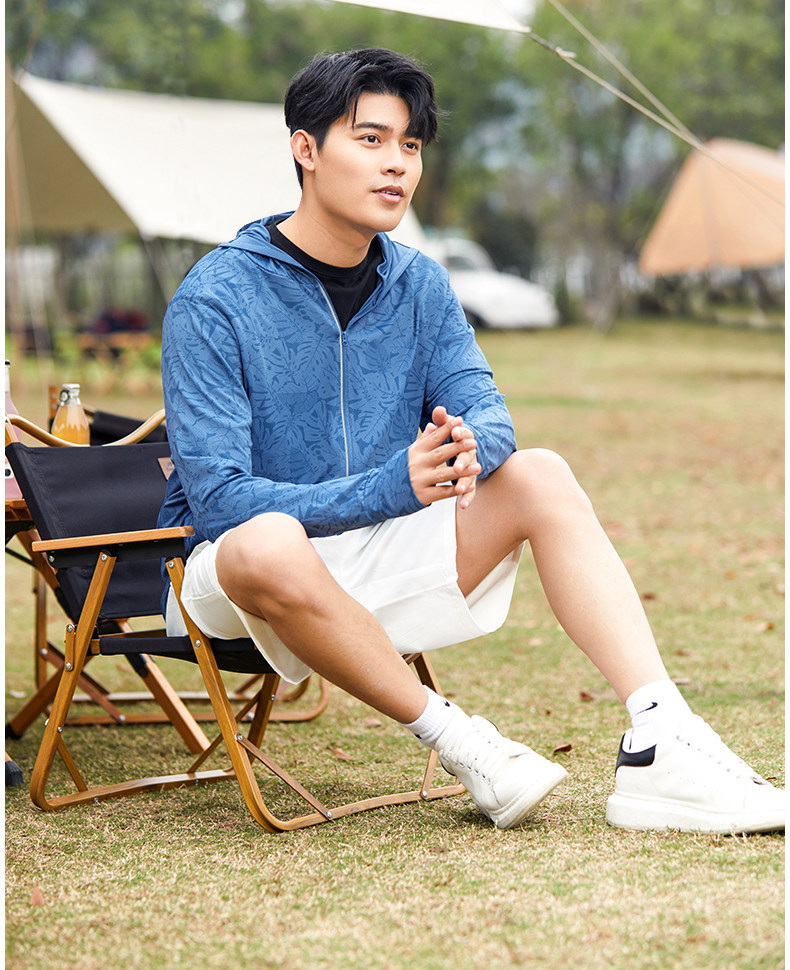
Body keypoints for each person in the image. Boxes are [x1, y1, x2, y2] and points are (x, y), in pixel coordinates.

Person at [158, 48, 784, 835]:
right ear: (306, 149)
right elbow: (220, 501)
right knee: (267, 539)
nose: (397, 164)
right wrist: (392, 485)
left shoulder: (420, 283)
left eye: (411, 145)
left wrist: (461, 449)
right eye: (371, 139)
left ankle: (662, 738)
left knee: (540, 474)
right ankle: (464, 743)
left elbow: (489, 415)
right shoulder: (216, 296)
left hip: (374, 553)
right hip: (235, 582)